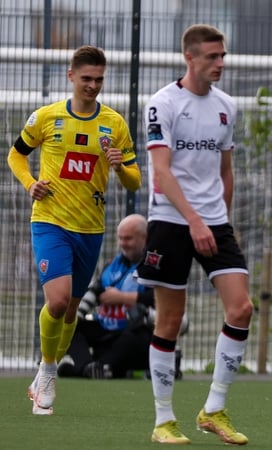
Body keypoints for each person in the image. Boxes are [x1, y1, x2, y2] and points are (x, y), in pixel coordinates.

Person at [7, 45, 141, 415]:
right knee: (59, 301)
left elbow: (134, 182)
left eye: (99, 79)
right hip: (50, 221)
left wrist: (120, 167)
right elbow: (16, 154)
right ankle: (48, 369)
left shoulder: (114, 124)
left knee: (70, 314)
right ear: (71, 76)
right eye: (86, 79)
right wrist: (29, 183)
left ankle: (46, 369)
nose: (93, 86)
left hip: (90, 228)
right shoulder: (46, 118)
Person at [135, 24, 253, 446]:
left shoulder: (226, 106)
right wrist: (195, 221)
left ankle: (214, 409)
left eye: (223, 56)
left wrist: (218, 218)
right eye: (211, 56)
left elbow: (226, 171)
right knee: (170, 319)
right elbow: (161, 172)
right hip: (170, 220)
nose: (220, 63)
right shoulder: (163, 104)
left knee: (241, 309)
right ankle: (164, 420)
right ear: (190, 58)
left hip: (214, 222)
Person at [58, 214, 183, 379]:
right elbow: (95, 291)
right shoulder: (113, 264)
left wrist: (123, 298)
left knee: (136, 331)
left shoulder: (156, 264)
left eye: (128, 239)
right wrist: (75, 315)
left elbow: (161, 298)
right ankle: (89, 367)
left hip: (137, 333)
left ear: (144, 238)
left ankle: (96, 367)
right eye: (121, 238)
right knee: (70, 326)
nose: (123, 243)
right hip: (107, 329)